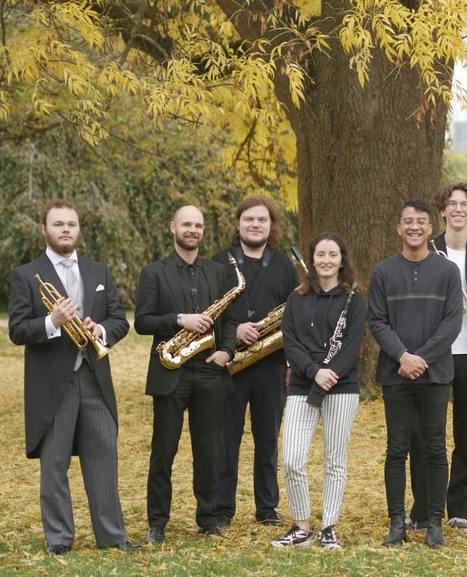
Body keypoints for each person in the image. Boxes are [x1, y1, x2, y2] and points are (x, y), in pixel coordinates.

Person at [8, 199, 137, 554]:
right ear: (44, 230)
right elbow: (17, 330)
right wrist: (53, 323)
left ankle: (112, 537)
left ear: (79, 230)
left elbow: (119, 320)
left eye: (72, 224)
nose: (66, 229)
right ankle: (60, 541)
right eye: (59, 224)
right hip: (53, 386)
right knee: (54, 466)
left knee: (103, 459)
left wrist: (101, 332)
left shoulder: (99, 272)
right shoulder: (25, 275)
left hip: (94, 377)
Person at [135, 204, 238, 543]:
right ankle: (157, 522)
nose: (193, 230)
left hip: (210, 370)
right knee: (164, 450)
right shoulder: (154, 272)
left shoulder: (217, 271)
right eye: (186, 225)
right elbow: (142, 321)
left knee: (208, 450)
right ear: (172, 227)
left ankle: (207, 518)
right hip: (171, 370)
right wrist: (180, 320)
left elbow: (229, 318)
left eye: (198, 225)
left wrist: (225, 351)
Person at [369, 200, 463, 548]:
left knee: (436, 448)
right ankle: (397, 522)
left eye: (421, 222)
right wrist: (402, 356)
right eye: (407, 221)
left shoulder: (448, 271)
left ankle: (434, 522)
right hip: (395, 375)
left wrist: (420, 358)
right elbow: (377, 321)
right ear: (398, 227)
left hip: (435, 375)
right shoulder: (383, 272)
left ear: (429, 228)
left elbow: (453, 321)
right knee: (396, 449)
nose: (414, 227)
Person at [406, 182, 467, 531]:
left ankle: (458, 507)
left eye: (465, 204)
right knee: (425, 433)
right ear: (442, 211)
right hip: (432, 355)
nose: (458, 209)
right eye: (451, 204)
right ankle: (421, 508)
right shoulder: (426, 249)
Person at [272, 232, 365, 550]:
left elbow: (352, 345)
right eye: (321, 254)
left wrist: (332, 373)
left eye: (333, 254)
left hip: (342, 387)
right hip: (302, 384)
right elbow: (291, 342)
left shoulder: (354, 297)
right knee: (291, 459)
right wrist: (315, 372)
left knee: (334, 461)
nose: (326, 260)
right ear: (312, 259)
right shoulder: (297, 298)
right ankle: (301, 526)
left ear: (342, 260)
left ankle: (328, 527)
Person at [212, 196, 298, 528]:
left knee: (267, 440)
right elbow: (211, 311)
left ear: (271, 225)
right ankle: (222, 509)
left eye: (262, 220)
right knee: (225, 440)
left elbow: (293, 315)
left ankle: (267, 507)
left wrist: (291, 362)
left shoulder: (283, 265)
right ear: (238, 224)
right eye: (248, 219)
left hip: (272, 364)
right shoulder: (220, 262)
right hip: (229, 363)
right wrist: (234, 333)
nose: (255, 224)